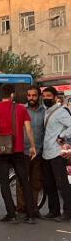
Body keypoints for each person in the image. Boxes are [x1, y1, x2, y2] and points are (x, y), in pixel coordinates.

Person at [0, 84, 38, 224]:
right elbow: (29, 129)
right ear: (12, 95)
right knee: (24, 181)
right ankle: (30, 214)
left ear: (1, 95)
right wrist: (32, 146)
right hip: (18, 150)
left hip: (1, 150)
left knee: (4, 183)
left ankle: (11, 214)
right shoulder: (20, 108)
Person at [40, 86, 71, 221]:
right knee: (49, 184)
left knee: (62, 184)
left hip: (57, 153)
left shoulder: (61, 111)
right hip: (46, 153)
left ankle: (68, 212)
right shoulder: (45, 111)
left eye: (49, 96)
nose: (46, 98)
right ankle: (54, 210)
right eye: (44, 96)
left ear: (55, 97)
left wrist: (62, 135)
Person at [17, 87, 47, 215]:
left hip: (39, 152)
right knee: (22, 181)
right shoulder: (21, 110)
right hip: (23, 151)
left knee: (36, 182)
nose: (31, 98)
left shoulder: (44, 112)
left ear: (39, 96)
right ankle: (22, 208)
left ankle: (34, 208)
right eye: (29, 95)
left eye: (34, 95)